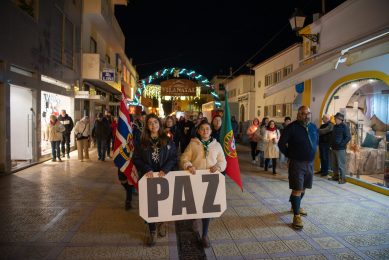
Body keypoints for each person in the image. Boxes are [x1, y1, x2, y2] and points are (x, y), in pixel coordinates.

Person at [133, 113, 177, 247]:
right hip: (149, 177)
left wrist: (166, 169)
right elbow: (136, 158)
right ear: (147, 125)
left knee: (163, 203)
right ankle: (152, 231)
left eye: (156, 122)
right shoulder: (142, 141)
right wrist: (147, 168)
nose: (153, 125)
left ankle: (162, 223)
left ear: (160, 124)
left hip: (164, 176)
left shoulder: (167, 139)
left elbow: (174, 157)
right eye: (150, 123)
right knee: (151, 205)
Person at [180, 121, 227, 248]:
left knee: (207, 207)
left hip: (210, 181)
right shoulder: (193, 143)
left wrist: (218, 166)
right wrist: (188, 165)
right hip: (196, 179)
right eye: (202, 129)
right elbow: (184, 158)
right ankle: (194, 218)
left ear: (211, 131)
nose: (205, 131)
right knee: (195, 203)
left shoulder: (217, 145)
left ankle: (205, 235)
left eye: (207, 129)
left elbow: (223, 161)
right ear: (199, 131)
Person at [278, 106, 318, 230]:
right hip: (297, 163)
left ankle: (295, 205)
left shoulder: (313, 127)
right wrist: (290, 154)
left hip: (309, 163)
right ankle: (296, 215)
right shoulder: (291, 128)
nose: (306, 116)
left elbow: (315, 140)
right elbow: (281, 144)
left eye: (308, 113)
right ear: (298, 114)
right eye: (303, 113)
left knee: (304, 188)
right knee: (297, 188)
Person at [330, 112, 351, 184]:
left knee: (341, 164)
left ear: (340, 119)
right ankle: (335, 176)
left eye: (335, 118)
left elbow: (348, 137)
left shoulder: (345, 127)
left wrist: (341, 144)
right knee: (334, 164)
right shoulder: (335, 126)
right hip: (333, 148)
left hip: (340, 149)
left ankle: (343, 178)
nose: (335, 119)